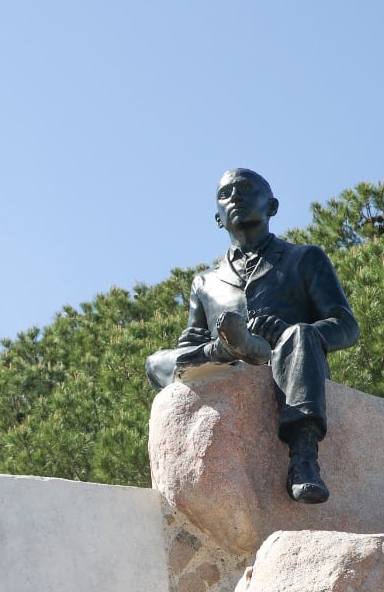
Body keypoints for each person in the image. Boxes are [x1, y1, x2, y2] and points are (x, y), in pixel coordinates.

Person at [145, 168, 360, 503]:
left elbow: (346, 326)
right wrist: (216, 350)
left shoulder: (305, 258)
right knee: (156, 361)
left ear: (272, 206)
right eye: (226, 194)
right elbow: (188, 346)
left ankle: (303, 457)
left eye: (246, 189)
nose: (236, 198)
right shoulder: (205, 282)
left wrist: (287, 332)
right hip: (229, 365)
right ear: (217, 218)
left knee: (299, 334)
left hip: (290, 362)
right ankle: (230, 347)